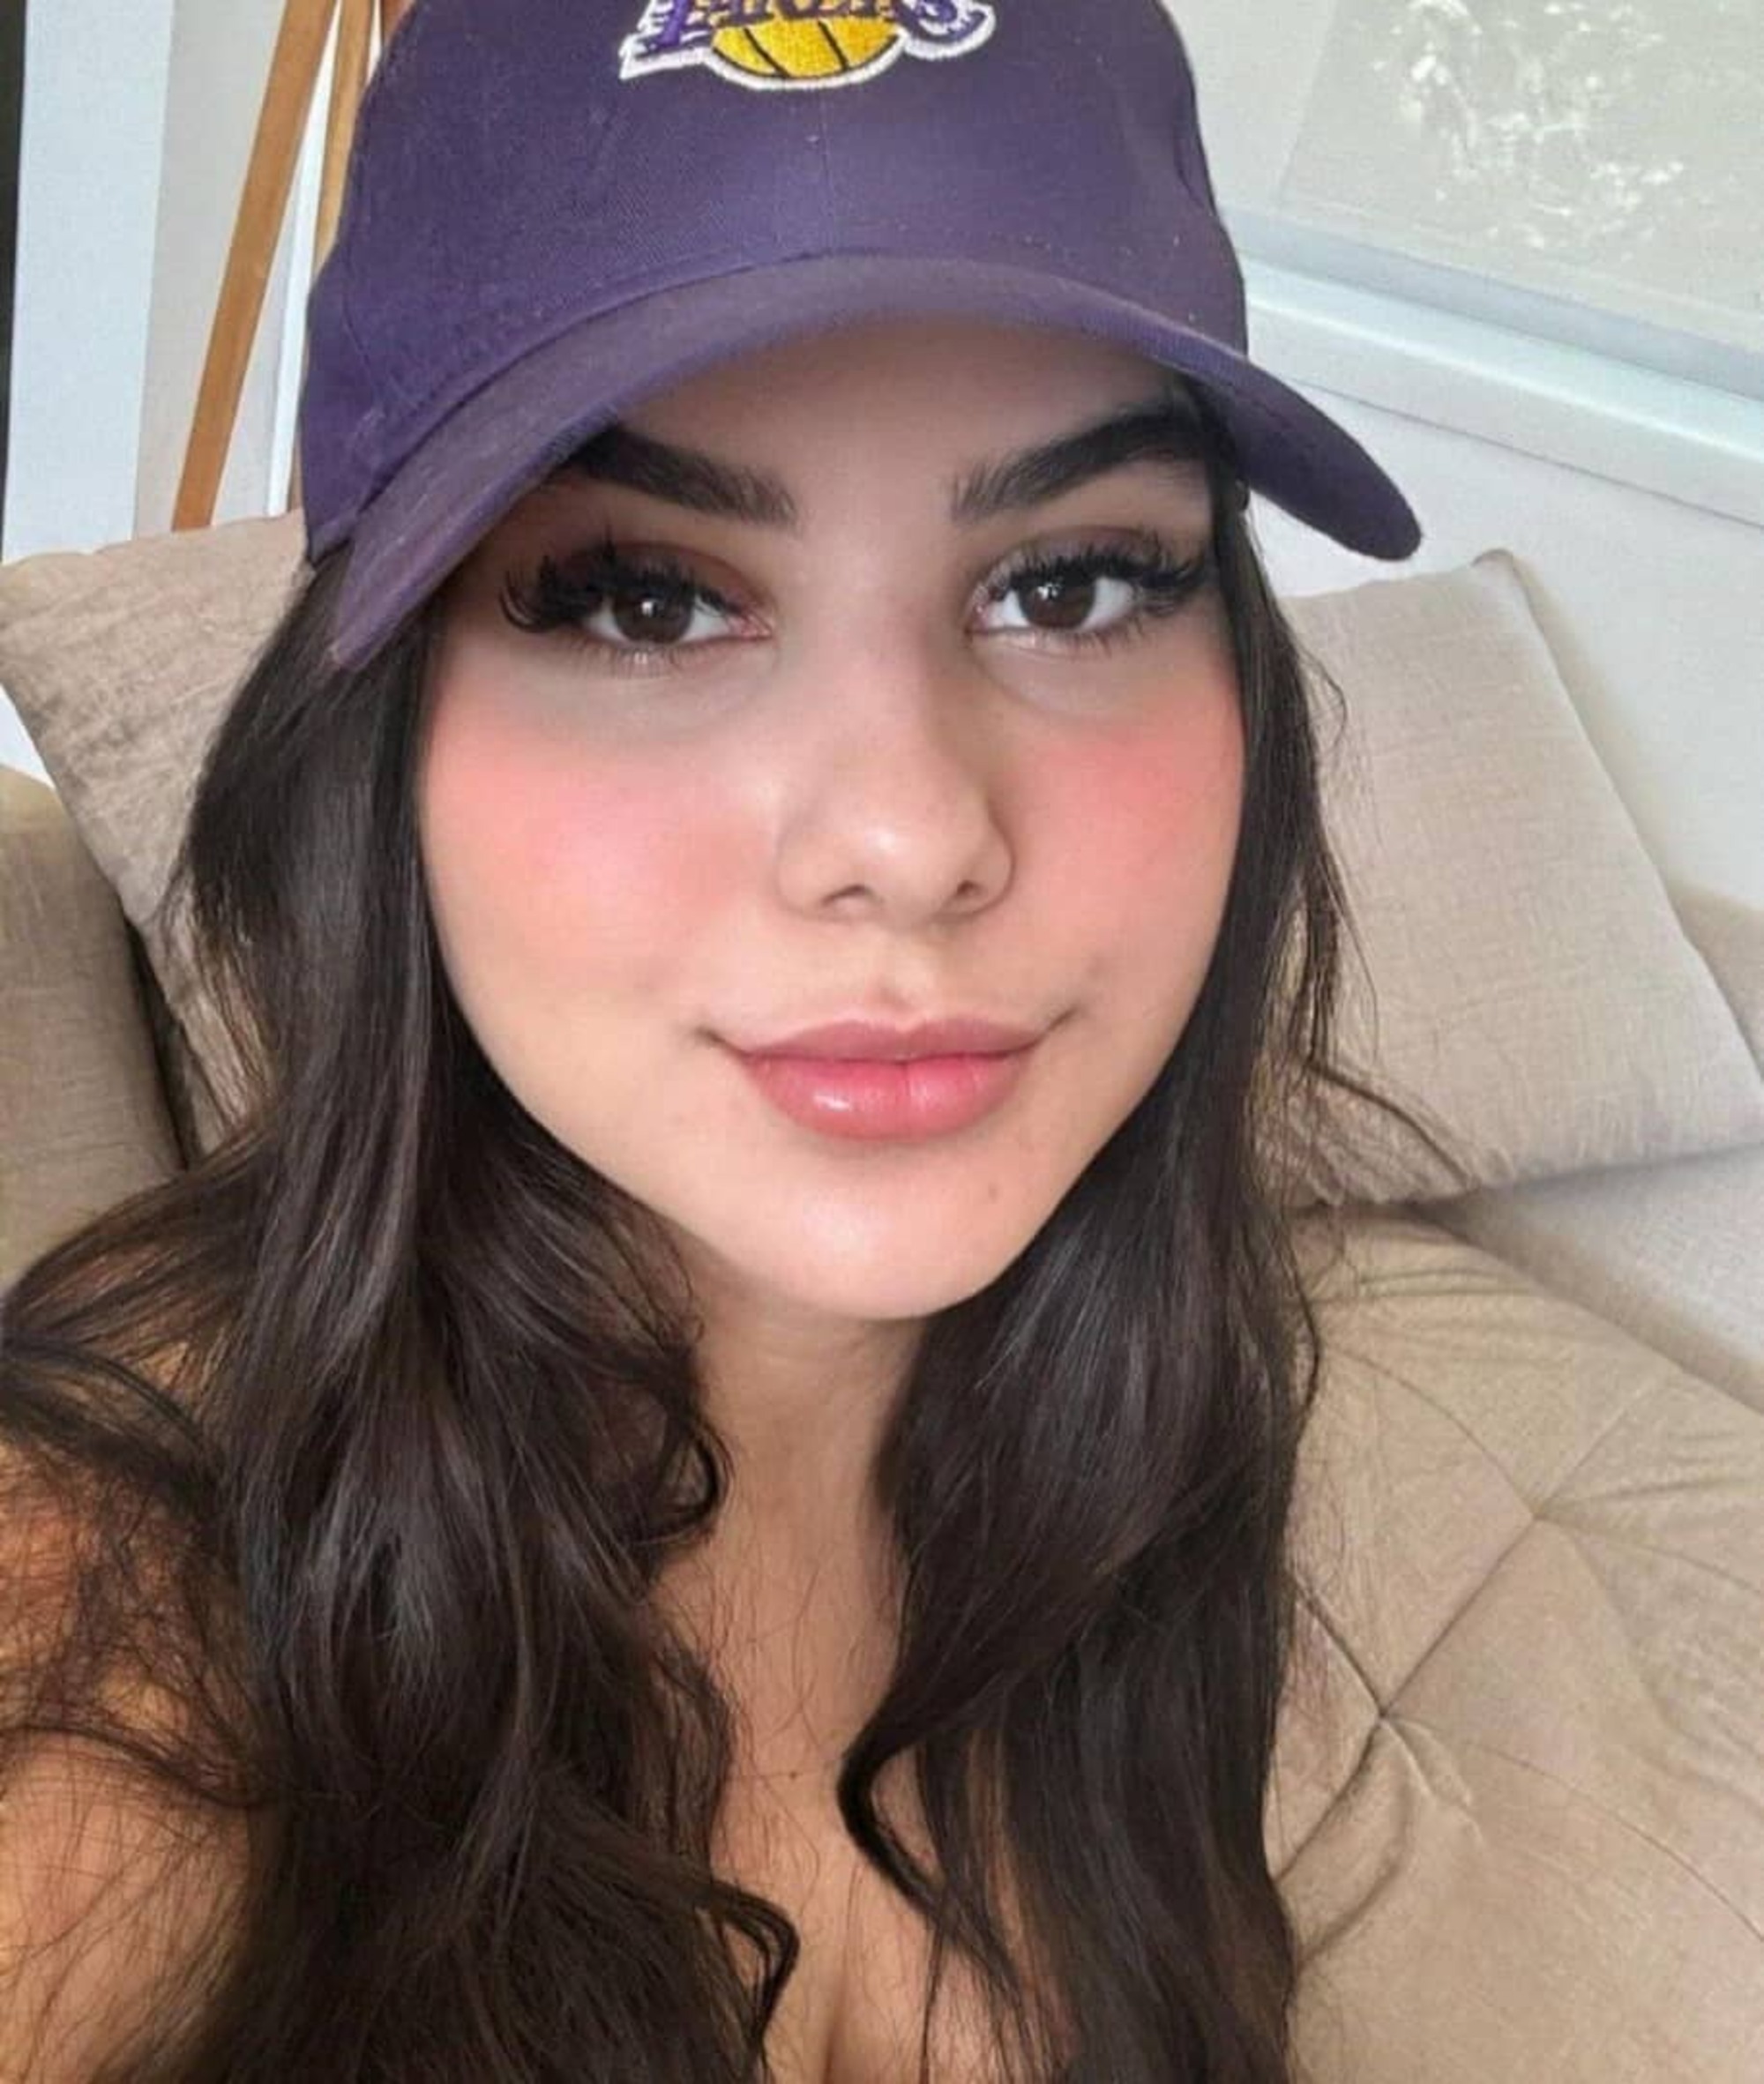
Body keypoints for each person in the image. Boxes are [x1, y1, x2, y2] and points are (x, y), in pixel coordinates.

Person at [0, 3, 1468, 2078]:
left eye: (1070, 586)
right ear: (378, 739)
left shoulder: (1149, 1447)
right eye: (646, 601)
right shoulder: (104, 1620)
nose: (911, 837)